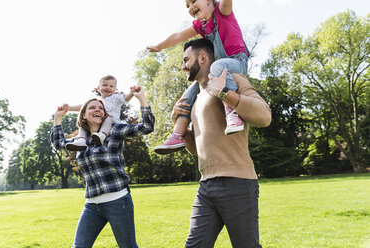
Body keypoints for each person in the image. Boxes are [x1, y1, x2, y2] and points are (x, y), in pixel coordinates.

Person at [170, 39, 271, 247]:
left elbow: (264, 116)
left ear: (203, 57)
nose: (183, 66)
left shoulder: (231, 78)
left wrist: (225, 93)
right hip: (206, 186)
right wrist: (181, 129)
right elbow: (198, 150)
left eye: (186, 60)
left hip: (237, 182)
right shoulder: (196, 100)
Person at [50, 86, 154, 248]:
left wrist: (142, 99)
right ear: (83, 115)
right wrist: (57, 119)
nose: (98, 109)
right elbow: (59, 143)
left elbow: (146, 127)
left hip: (118, 201)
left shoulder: (115, 131)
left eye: (101, 108)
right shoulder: (79, 141)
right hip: (92, 204)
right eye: (92, 107)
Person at [149, 0, 250, 154]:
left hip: (237, 61)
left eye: (193, 1)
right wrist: (159, 47)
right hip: (218, 70)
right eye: (187, 5)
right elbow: (178, 36)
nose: (190, 7)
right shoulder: (200, 25)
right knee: (188, 93)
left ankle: (232, 113)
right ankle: (177, 134)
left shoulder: (222, 11)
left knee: (216, 66)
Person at [65, 75, 134, 151]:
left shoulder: (115, 97)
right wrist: (69, 108)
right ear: (99, 88)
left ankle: (102, 135)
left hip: (112, 124)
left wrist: (131, 93)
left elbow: (125, 98)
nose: (108, 87)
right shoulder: (97, 100)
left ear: (115, 89)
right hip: (98, 124)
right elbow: (83, 107)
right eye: (105, 85)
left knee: (108, 118)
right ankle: (81, 141)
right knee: (84, 123)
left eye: (111, 86)